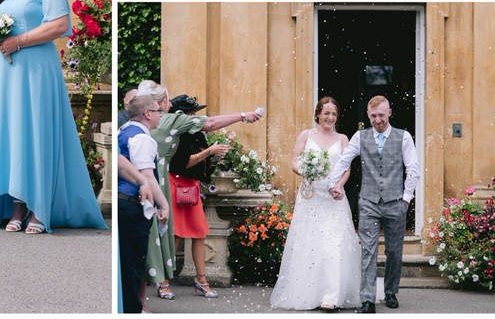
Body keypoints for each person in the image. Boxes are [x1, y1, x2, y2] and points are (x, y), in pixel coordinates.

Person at [0, 0, 106, 234]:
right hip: (9, 75)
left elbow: (59, 25)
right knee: (13, 136)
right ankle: (16, 207)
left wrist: (19, 41)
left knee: (36, 133)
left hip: (37, 70)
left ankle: (39, 209)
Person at [138, 80, 262, 304]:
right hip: (165, 182)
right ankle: (158, 284)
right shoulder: (172, 122)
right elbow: (211, 124)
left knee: (159, 231)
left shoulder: (135, 121)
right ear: (164, 103)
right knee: (165, 232)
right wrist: (243, 115)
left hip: (143, 179)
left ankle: (148, 292)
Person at [327, 96, 421, 313]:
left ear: (389, 112)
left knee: (394, 251)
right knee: (368, 251)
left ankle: (390, 292)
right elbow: (344, 160)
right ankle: (367, 299)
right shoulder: (360, 137)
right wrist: (334, 183)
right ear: (368, 115)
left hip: (395, 202)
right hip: (368, 201)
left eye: (381, 115)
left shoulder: (403, 137)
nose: (377, 120)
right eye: (373, 116)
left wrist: (406, 198)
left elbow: (413, 169)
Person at [271, 96, 361, 311]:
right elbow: (293, 161)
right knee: (310, 244)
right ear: (318, 114)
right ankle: (308, 293)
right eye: (326, 113)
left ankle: (332, 296)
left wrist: (339, 185)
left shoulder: (342, 139)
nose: (330, 117)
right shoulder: (306, 135)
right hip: (310, 198)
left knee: (335, 244)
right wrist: (306, 171)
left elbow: (347, 168)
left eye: (334, 114)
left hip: (334, 198)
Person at [167, 94, 229, 299]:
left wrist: (214, 156)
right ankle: (163, 281)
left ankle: (201, 280)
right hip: (175, 183)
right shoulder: (176, 134)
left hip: (191, 187)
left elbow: (201, 164)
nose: (195, 115)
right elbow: (182, 164)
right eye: (191, 112)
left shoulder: (197, 134)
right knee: (175, 234)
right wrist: (209, 151)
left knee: (199, 232)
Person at [118, 95, 169, 314]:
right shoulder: (142, 138)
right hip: (132, 204)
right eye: (159, 111)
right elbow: (146, 175)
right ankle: (131, 310)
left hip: (124, 201)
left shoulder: (125, 130)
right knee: (133, 264)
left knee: (127, 263)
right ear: (148, 114)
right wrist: (164, 205)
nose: (161, 115)